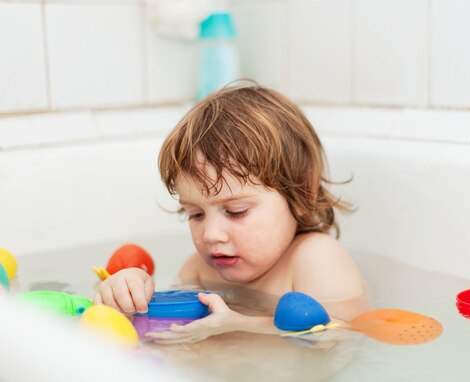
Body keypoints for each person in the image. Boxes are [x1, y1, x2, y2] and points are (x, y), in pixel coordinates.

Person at [94, 84, 369, 344]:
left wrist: (241, 323)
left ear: (302, 193)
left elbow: (341, 336)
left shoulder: (315, 258)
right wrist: (131, 295)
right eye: (196, 214)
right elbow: (167, 324)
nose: (210, 235)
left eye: (236, 212)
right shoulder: (199, 269)